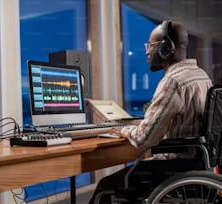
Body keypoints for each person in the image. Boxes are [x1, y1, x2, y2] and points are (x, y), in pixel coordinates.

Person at [89, 20, 212, 204]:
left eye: (150, 45)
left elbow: (144, 139)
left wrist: (123, 130)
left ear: (165, 48)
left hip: (178, 167)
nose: (147, 51)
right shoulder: (202, 75)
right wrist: (143, 123)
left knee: (105, 185)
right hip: (201, 163)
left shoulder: (173, 82)